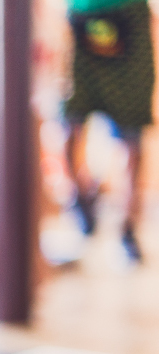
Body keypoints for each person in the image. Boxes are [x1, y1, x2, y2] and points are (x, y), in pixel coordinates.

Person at [63, 0, 154, 260]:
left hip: (129, 15)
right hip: (81, 17)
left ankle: (127, 224)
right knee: (69, 118)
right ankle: (81, 197)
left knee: (132, 130)